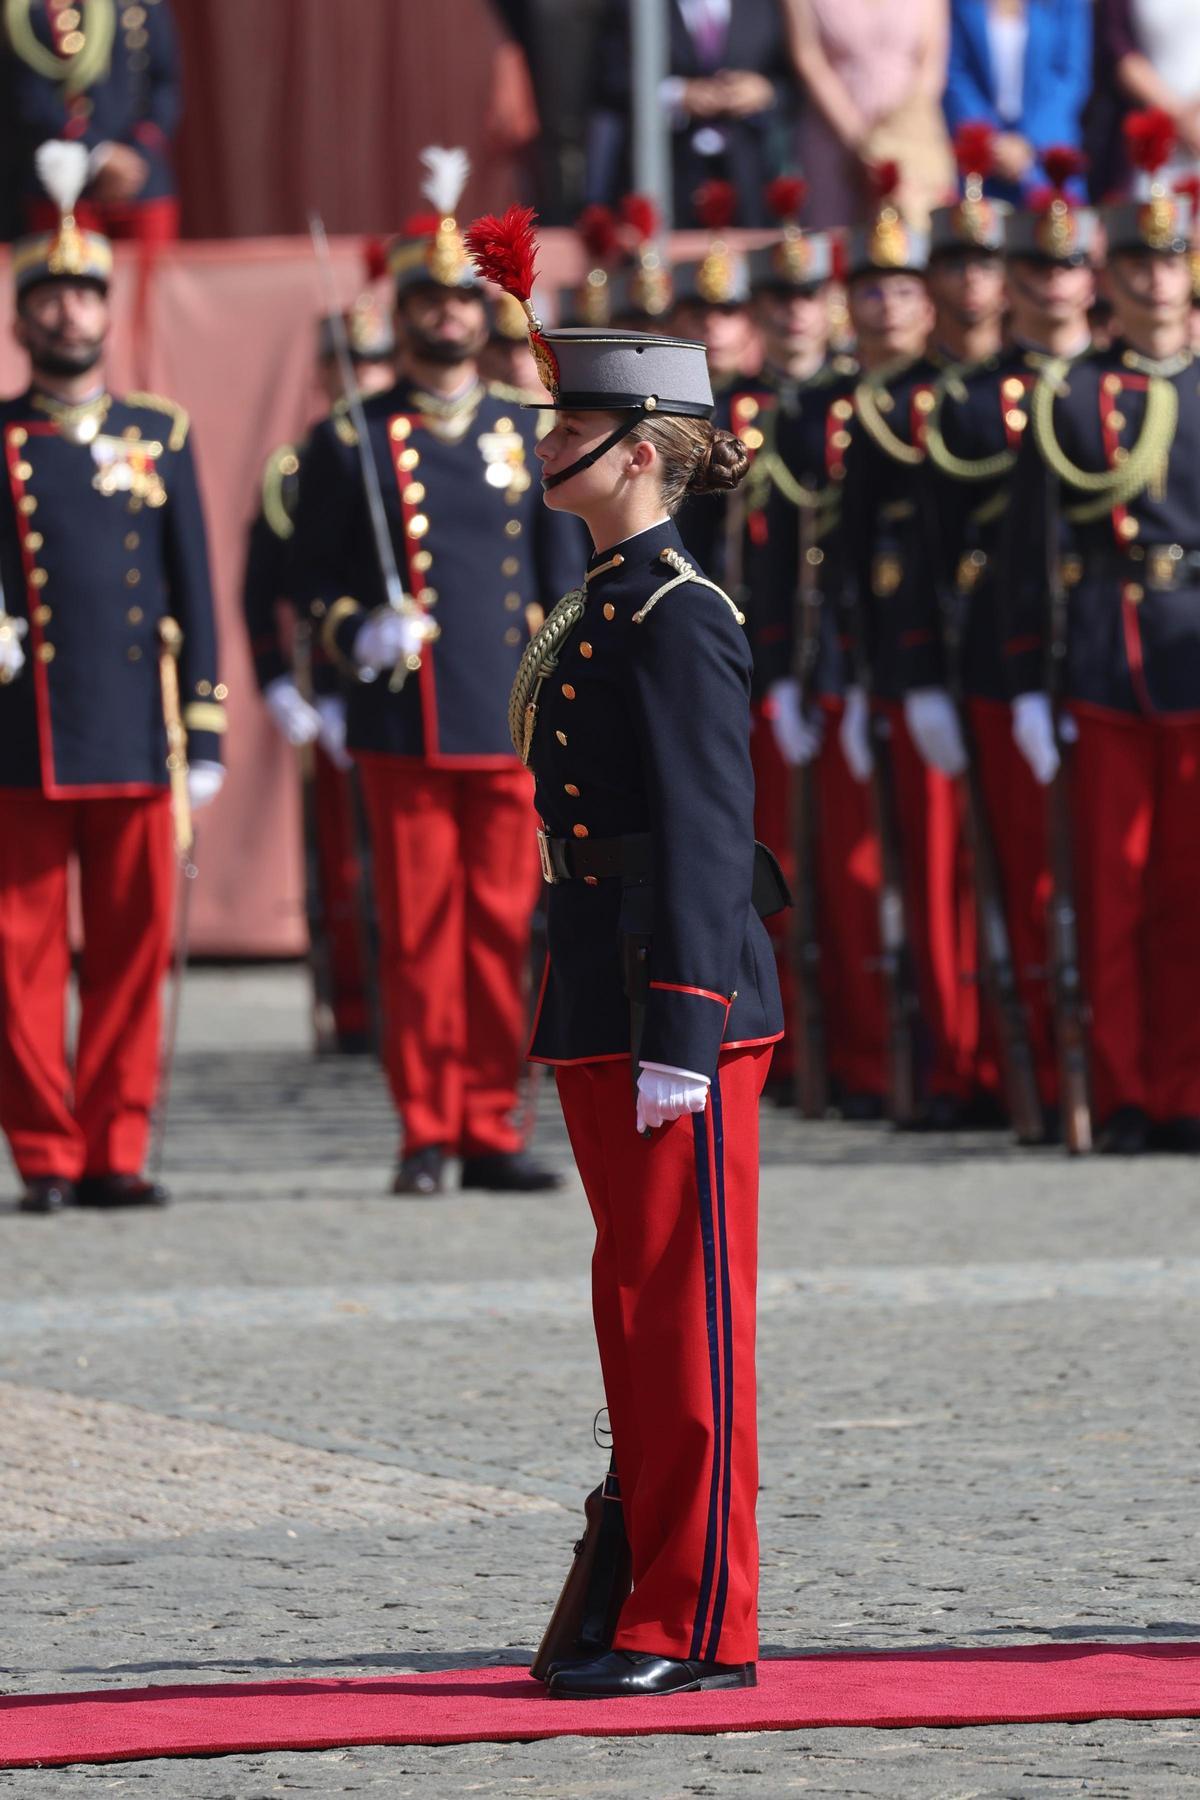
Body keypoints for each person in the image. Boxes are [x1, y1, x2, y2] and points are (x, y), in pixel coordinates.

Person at [466, 201, 783, 1697]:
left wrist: (682, 1022)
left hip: (676, 999)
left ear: (641, 451)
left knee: (688, 1319)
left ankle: (697, 1618)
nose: (547, 452)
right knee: (635, 1309)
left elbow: (714, 833)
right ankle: (649, 1579)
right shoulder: (610, 603)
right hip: (608, 976)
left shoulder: (677, 613)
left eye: (572, 431)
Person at [292, 150, 582, 1198]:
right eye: (426, 301)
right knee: (416, 936)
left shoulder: (528, 430)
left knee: (507, 928)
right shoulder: (350, 442)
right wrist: (356, 632)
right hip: (404, 718)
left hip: (503, 713)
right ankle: (425, 1125)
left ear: (482, 312)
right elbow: (309, 582)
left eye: (460, 301)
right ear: (403, 313)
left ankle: (493, 1118)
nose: (445, 319)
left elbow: (562, 587)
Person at [0, 143, 223, 1215]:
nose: (68, 315)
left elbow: (197, 594)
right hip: (23, 732)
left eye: (84, 296)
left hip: (139, 733)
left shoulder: (160, 432)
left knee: (133, 961)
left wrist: (209, 733)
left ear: (107, 310)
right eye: (49, 298)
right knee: (21, 961)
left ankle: (116, 1149)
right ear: (23, 317)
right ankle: (44, 1153)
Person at [1003, 112, 1200, 1155]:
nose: (1157, 281)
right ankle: (1125, 1088)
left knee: (1190, 894)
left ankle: (1188, 1087)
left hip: (1193, 654)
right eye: (1137, 261)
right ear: (1108, 278)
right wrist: (1032, 679)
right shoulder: (1074, 396)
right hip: (1104, 653)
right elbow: (1039, 547)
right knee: (1112, 896)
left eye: (1171, 260)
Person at [923, 148, 1097, 1130]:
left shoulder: (1131, 384)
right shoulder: (975, 399)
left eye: (1066, 269)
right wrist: (918, 676)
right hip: (1003, 653)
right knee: (1022, 878)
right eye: (1034, 270)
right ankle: (1027, 1060)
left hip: (1119, 648)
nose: (1049, 284)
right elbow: (940, 548)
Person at [838, 161, 995, 1126]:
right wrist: (873, 675)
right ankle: (950, 1059)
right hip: (920, 658)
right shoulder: (878, 411)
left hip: (1011, 654)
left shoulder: (972, 392)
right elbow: (860, 557)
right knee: (930, 879)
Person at [738, 183, 887, 1115]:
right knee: (768, 874)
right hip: (757, 670)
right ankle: (781, 1049)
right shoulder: (731, 412)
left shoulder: (852, 403)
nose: (795, 313)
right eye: (778, 299)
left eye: (808, 296)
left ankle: (867, 1057)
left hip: (837, 665)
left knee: (857, 875)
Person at [242, 295, 396, 1056]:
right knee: (339, 860)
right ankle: (354, 1006)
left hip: (408, 687)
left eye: (369, 361)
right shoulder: (297, 465)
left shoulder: (403, 444)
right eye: (344, 363)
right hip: (331, 690)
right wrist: (281, 684)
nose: (357, 376)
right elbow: (269, 586)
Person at [587, 0, 797, 226]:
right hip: (669, 178)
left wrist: (765, 91)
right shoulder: (635, 8)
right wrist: (678, 95)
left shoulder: (766, 6)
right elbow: (610, 80)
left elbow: (791, 81)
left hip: (749, 179)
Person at [5, 0, 182, 242]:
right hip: (66, 180)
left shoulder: (141, 5)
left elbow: (164, 84)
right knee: (69, 278)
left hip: (139, 178)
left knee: (149, 277)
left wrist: (135, 154)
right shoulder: (27, 10)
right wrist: (100, 154)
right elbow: (30, 95)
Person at [787, 0, 953, 230]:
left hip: (911, 134)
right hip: (835, 137)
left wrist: (895, 136)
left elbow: (932, 61)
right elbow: (809, 58)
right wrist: (862, 143)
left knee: (913, 237)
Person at [943, 0, 1092, 204]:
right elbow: (956, 74)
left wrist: (1029, 143)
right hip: (985, 166)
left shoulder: (1066, 5)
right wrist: (990, 142)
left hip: (1047, 161)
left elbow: (1070, 76)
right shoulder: (961, 5)